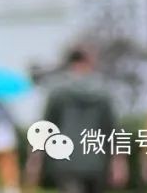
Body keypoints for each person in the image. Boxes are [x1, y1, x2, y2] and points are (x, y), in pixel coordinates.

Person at [26, 47, 126, 193]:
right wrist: (119, 162)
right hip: (96, 161)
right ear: (88, 62)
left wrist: (34, 161)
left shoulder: (57, 93)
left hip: (65, 160)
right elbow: (113, 130)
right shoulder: (103, 93)